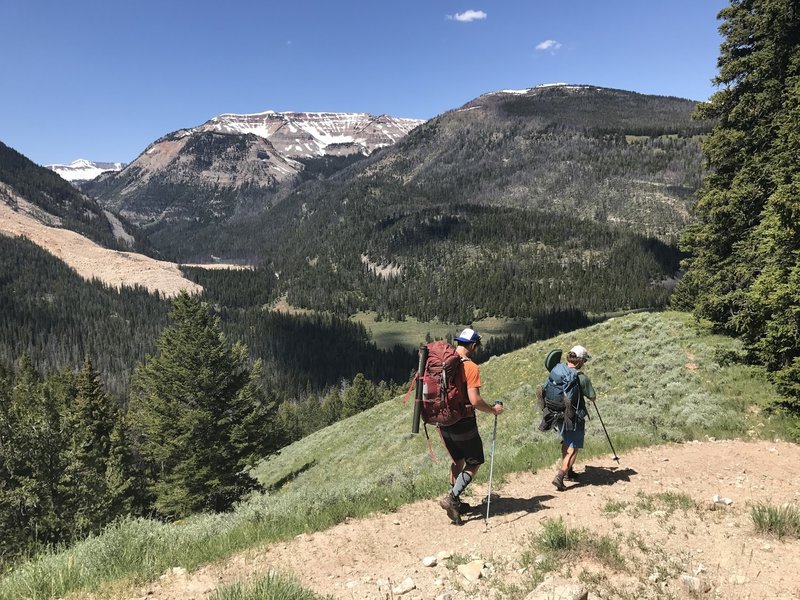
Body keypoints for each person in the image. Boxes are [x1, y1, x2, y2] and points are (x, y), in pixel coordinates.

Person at [438, 327, 504, 525]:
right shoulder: (470, 367)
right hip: (463, 421)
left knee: (457, 459)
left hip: (442, 420)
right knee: (474, 461)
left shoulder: (441, 363)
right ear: (473, 345)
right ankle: (452, 498)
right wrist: (493, 409)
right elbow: (474, 400)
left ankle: (456, 501)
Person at [552, 344, 597, 492]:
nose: (584, 363)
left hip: (558, 414)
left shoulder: (559, 370)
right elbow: (592, 396)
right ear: (578, 361)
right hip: (574, 416)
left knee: (566, 441)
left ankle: (569, 471)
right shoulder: (581, 377)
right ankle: (561, 474)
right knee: (574, 446)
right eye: (584, 360)